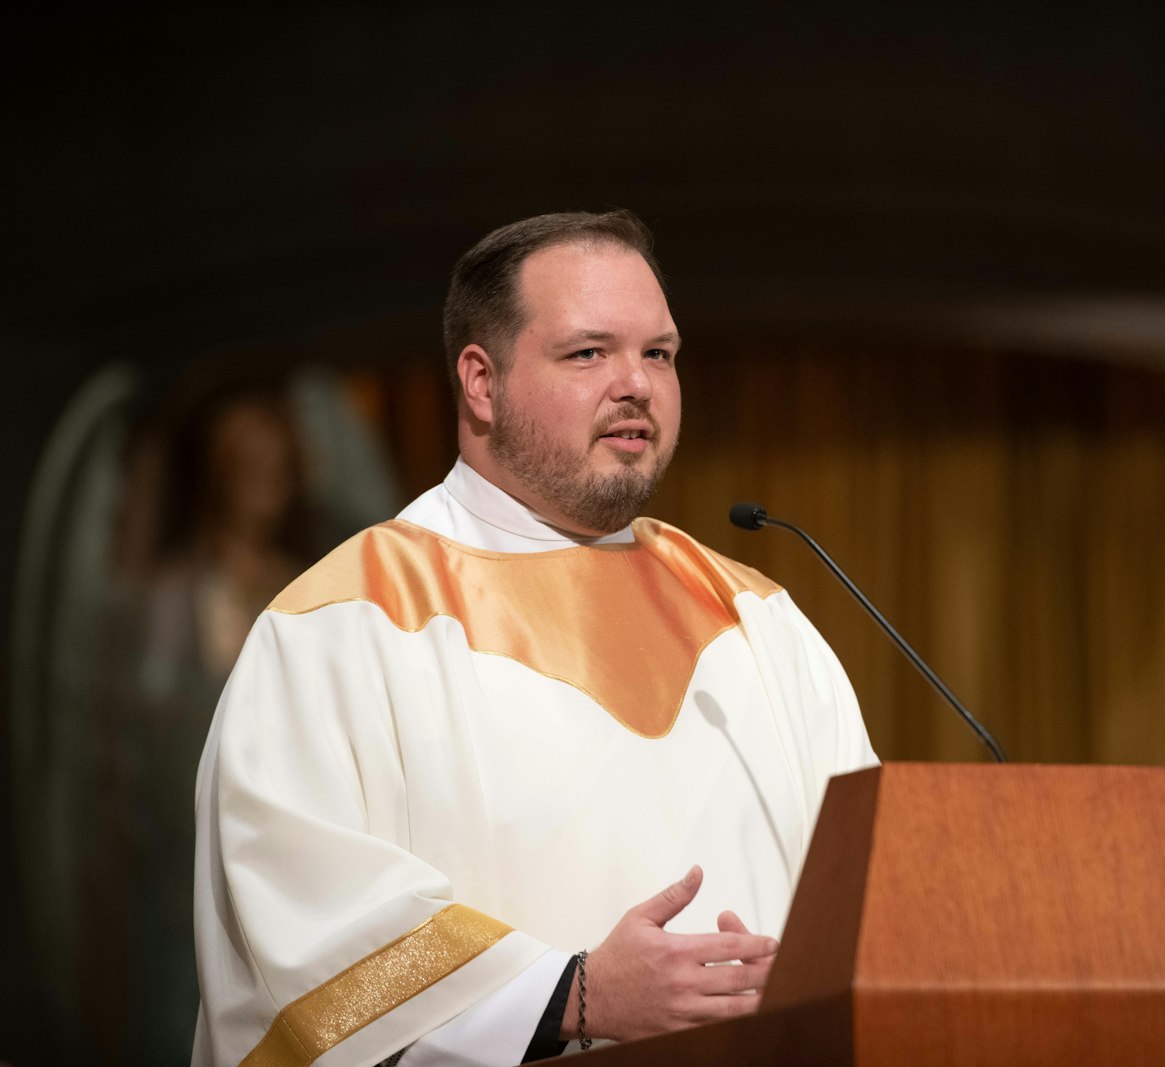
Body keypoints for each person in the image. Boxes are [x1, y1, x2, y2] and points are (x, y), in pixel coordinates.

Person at [192, 211, 878, 1066]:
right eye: (589, 352)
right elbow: (309, 928)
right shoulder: (340, 627)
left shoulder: (758, 620)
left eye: (658, 354)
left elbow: (870, 900)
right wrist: (576, 993)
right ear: (481, 382)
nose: (636, 384)